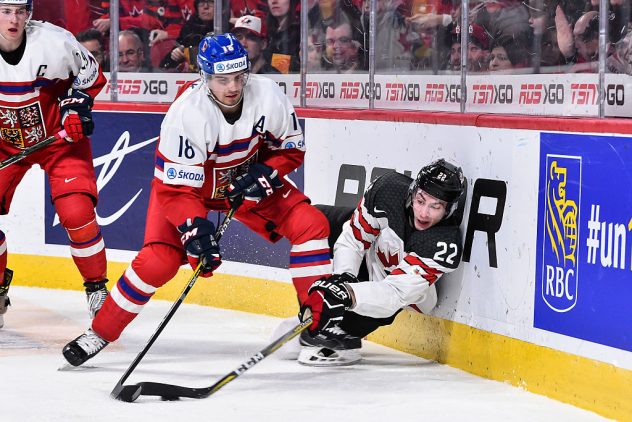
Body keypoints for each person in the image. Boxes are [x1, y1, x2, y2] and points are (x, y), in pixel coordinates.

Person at [62, 33, 332, 366]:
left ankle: (318, 321)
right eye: (222, 79)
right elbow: (175, 191)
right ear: (204, 77)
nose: (232, 86)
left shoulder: (268, 95)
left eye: (238, 76)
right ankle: (100, 332)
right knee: (157, 261)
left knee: (312, 224)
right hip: (190, 192)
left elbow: (290, 150)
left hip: (244, 185)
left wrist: (264, 173)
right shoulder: (186, 114)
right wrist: (194, 233)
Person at [0, 0, 108, 328]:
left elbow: (89, 78)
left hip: (59, 142)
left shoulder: (55, 42)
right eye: (5, 11)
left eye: (20, 11)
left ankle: (97, 289)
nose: (13, 19)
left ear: (30, 13)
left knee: (77, 213)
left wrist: (75, 108)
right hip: (4, 145)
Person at [297, 159, 466, 366]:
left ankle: (339, 333)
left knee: (349, 326)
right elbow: (353, 237)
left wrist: (346, 294)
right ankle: (314, 310)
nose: (423, 213)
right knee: (309, 221)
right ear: (413, 192)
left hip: (393, 290)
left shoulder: (443, 243)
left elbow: (394, 294)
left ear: (448, 210)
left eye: (435, 207)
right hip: (373, 254)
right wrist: (341, 279)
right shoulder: (388, 190)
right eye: (420, 201)